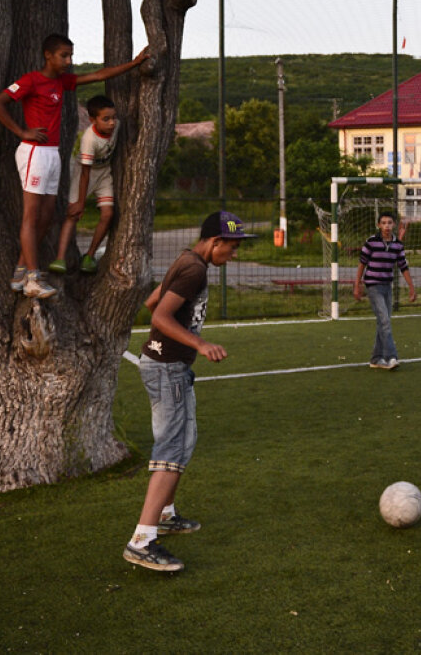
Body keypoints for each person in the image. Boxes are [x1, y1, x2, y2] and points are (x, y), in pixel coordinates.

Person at [123, 211, 254, 572]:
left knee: (185, 441)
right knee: (171, 448)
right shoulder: (194, 268)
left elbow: (153, 302)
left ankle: (164, 514)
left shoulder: (187, 260)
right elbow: (159, 318)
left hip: (169, 367)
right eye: (232, 246)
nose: (234, 254)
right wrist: (200, 343)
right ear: (215, 242)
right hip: (167, 370)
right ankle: (142, 541)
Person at [0, 34, 148, 299]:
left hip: (52, 154)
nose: (68, 61)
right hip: (34, 153)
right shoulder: (31, 80)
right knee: (31, 215)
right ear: (48, 55)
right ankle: (32, 278)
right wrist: (21, 131)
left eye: (71, 56)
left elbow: (99, 75)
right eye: (64, 55)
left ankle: (20, 269)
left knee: (48, 215)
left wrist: (135, 63)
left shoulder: (63, 82)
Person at [48, 95, 120, 275]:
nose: (111, 123)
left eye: (113, 117)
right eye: (106, 119)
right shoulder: (90, 139)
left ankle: (89, 255)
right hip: (84, 174)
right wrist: (81, 202)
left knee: (108, 213)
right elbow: (85, 173)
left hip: (104, 174)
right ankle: (60, 258)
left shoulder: (116, 127)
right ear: (92, 120)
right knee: (73, 214)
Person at [353, 211, 416, 369]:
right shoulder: (371, 242)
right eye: (383, 223)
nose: (386, 226)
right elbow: (362, 264)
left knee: (383, 322)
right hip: (373, 286)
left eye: (389, 223)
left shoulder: (397, 245)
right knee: (385, 321)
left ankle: (376, 358)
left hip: (387, 286)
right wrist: (357, 285)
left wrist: (411, 287)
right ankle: (391, 357)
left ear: (394, 225)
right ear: (378, 225)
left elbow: (403, 266)